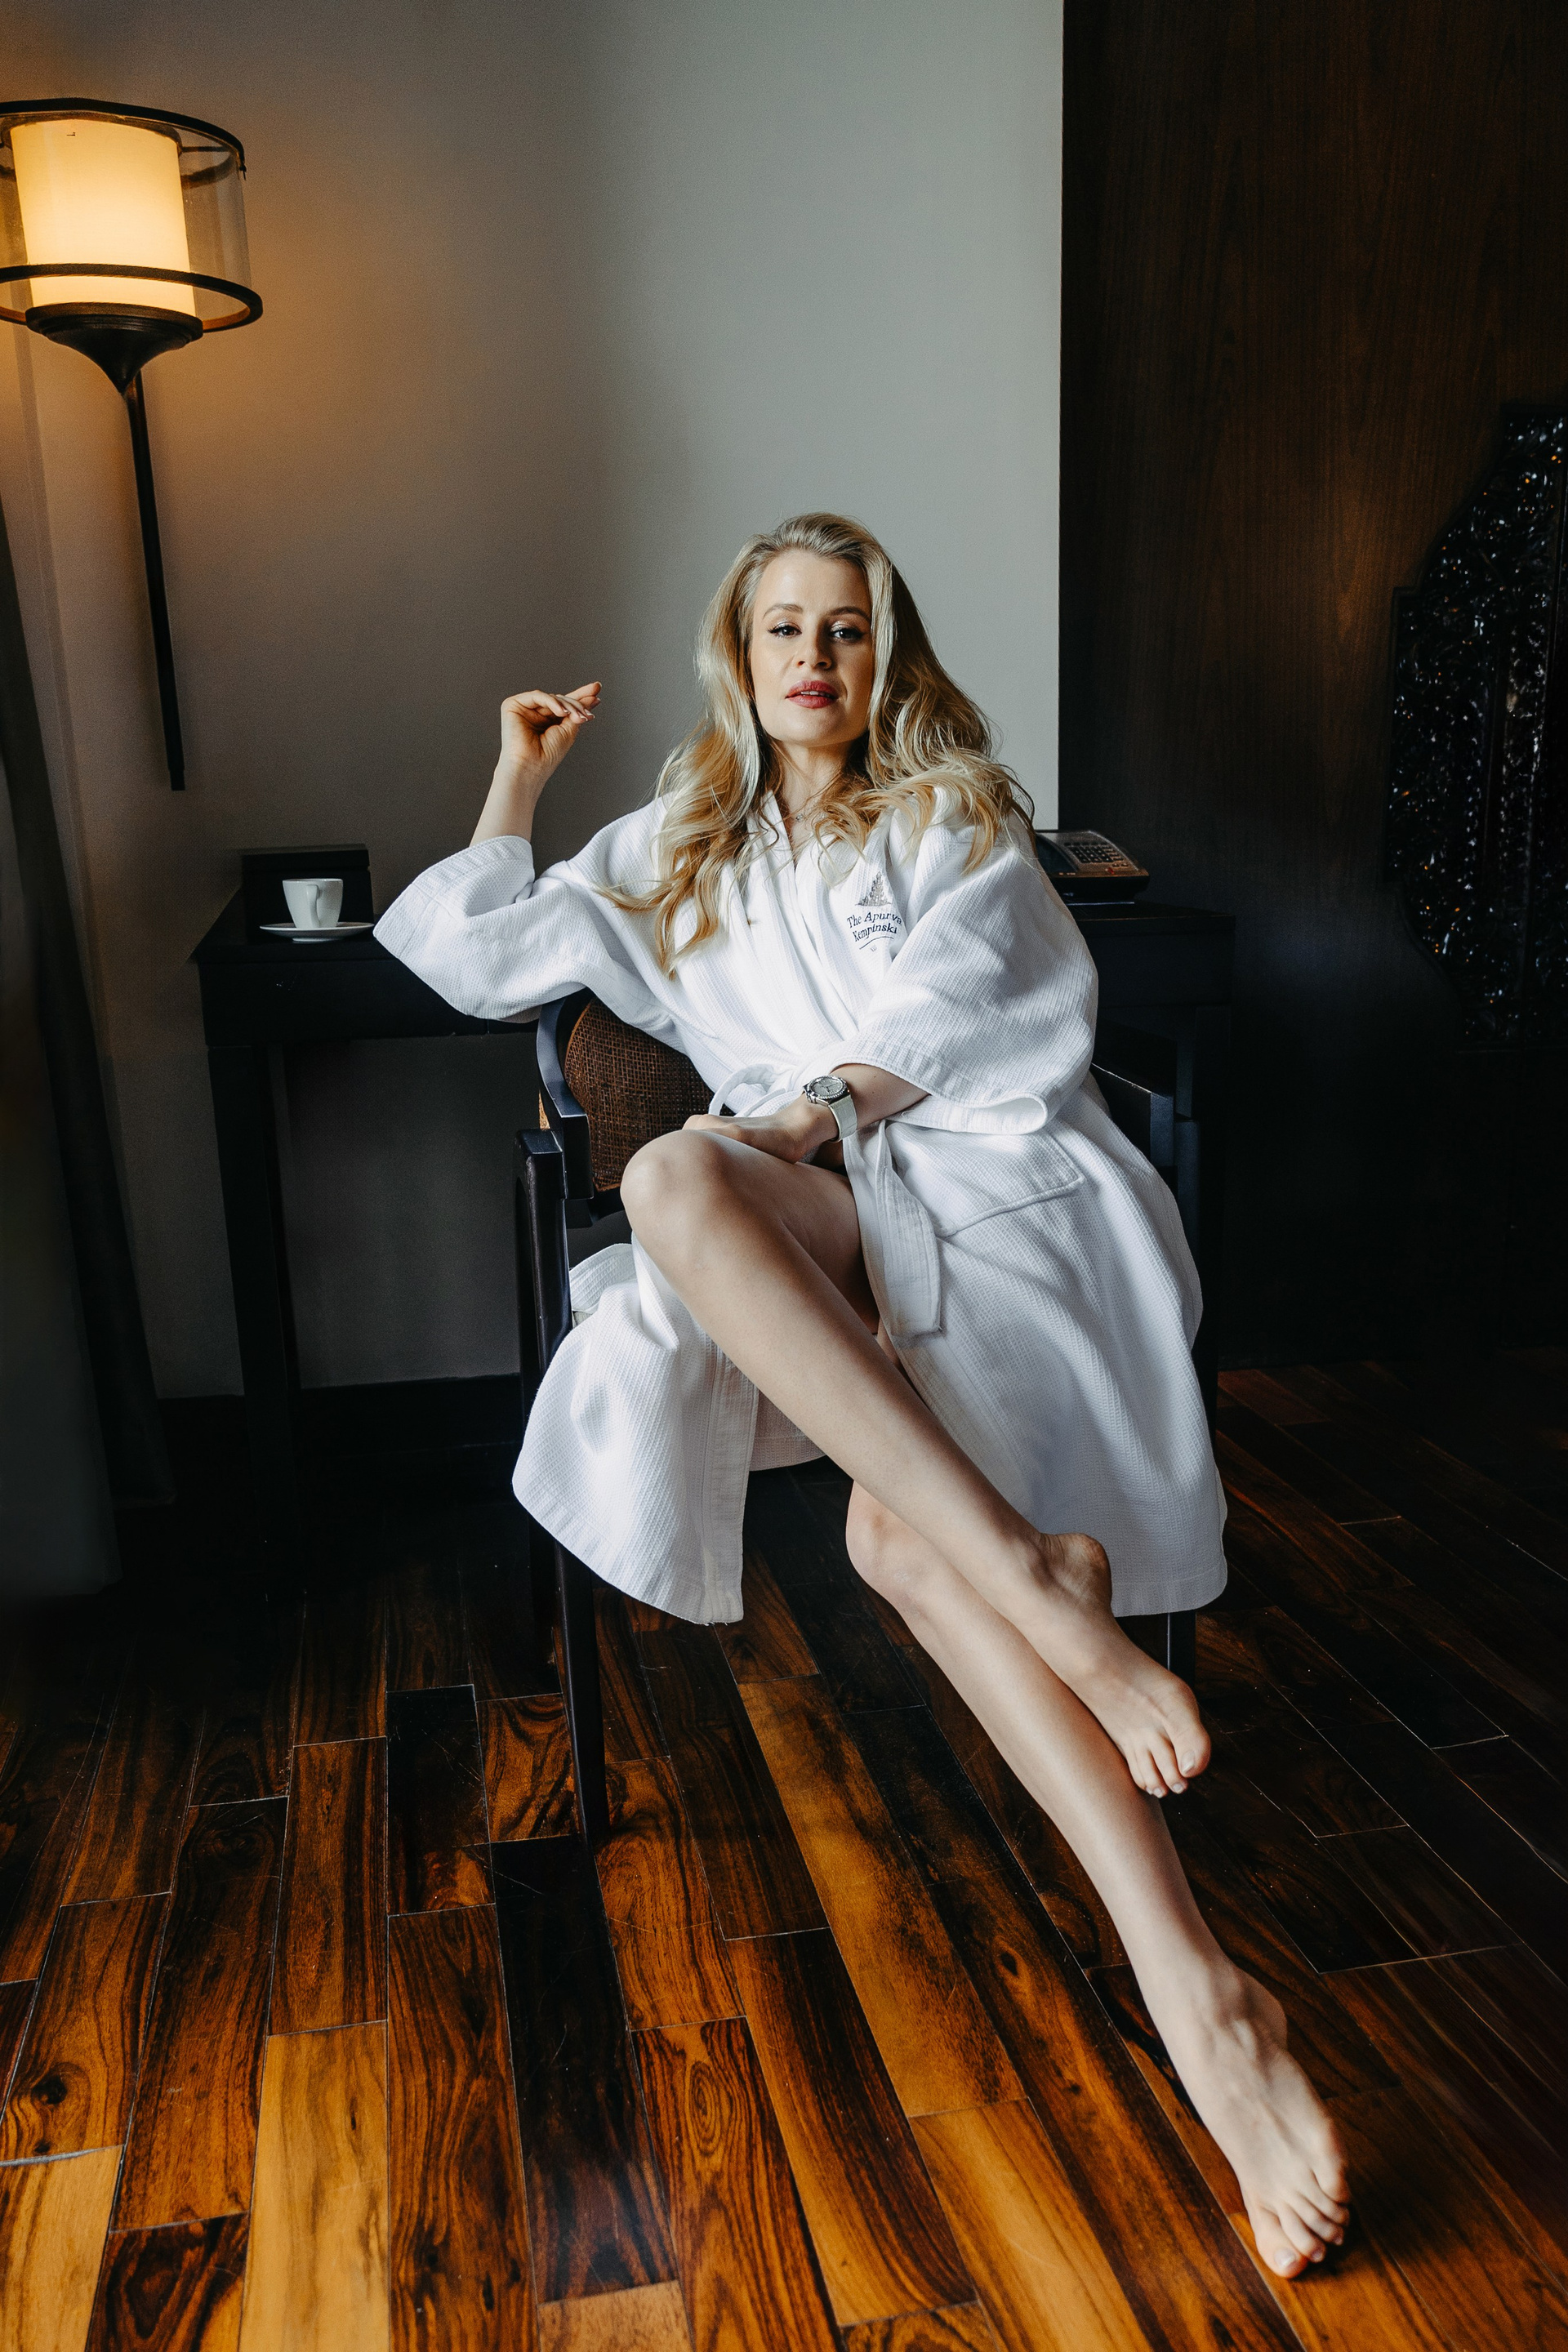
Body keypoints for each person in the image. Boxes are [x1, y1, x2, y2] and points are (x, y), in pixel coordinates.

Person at [376, 511, 1348, 2275]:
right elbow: (465, 950)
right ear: (738, 656)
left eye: (844, 629)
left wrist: (816, 1109)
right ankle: (1037, 1578)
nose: (813, 659)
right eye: (783, 630)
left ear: (884, 654)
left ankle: (1201, 1995)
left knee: (898, 1543)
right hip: (790, 1197)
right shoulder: (674, 838)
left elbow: (987, 1002)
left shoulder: (954, 809)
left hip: (980, 1171)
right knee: (669, 1176)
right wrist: (517, 780)